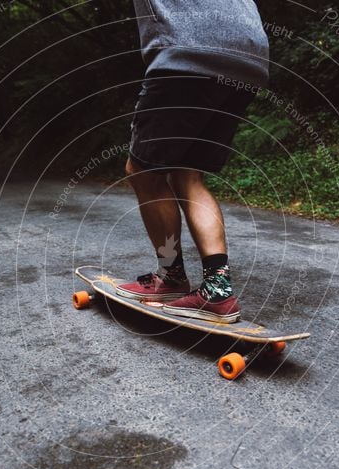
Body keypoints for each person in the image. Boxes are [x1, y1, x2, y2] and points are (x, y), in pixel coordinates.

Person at [116, 0, 269, 323]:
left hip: (189, 49)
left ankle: (171, 278)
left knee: (144, 172)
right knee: (189, 175)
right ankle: (217, 289)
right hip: (249, 54)